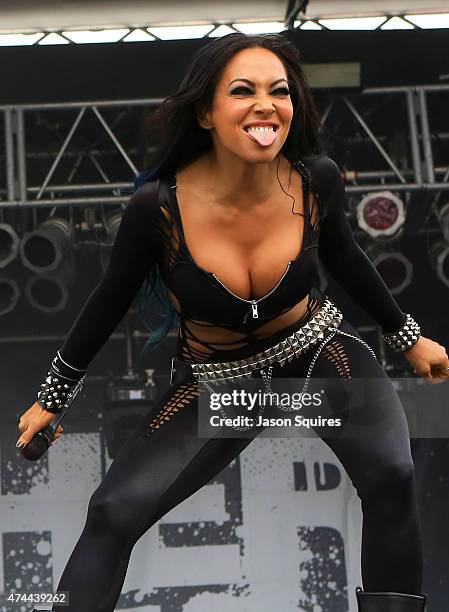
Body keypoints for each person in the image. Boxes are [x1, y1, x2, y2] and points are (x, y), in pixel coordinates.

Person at [16, 33, 448, 612]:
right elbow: (107, 302)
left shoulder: (315, 180)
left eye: (280, 91)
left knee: (393, 474)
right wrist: (53, 397)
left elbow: (347, 258)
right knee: (112, 513)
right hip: (217, 386)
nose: (266, 105)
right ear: (206, 112)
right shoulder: (159, 207)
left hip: (316, 357)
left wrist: (410, 338)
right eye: (243, 91)